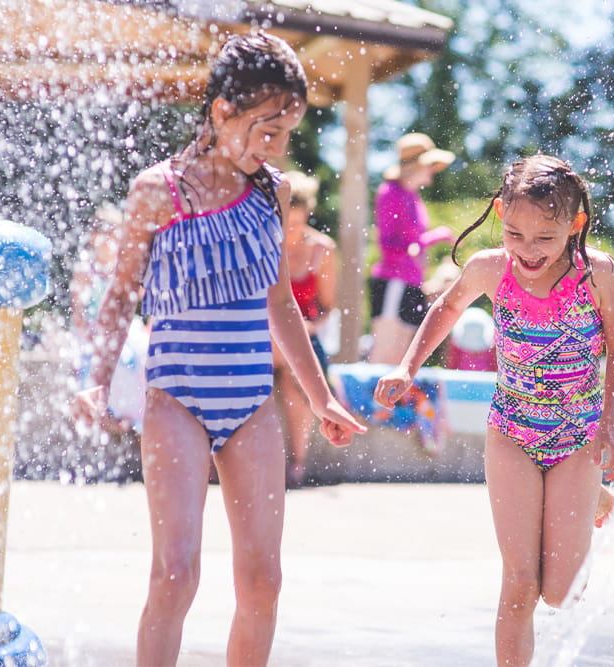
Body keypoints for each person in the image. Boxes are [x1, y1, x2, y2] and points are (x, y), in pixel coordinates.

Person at [72, 32, 366, 667]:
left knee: (263, 581)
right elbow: (121, 295)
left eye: (285, 132)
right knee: (175, 575)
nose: (276, 147)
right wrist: (97, 378)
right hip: (176, 400)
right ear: (221, 111)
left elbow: (280, 303)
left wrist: (320, 399)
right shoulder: (159, 191)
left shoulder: (272, 191)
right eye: (265, 130)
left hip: (252, 403)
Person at [373, 154, 614, 666]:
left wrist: (611, 429)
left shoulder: (596, 274)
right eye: (515, 234)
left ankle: (590, 497)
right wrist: (407, 366)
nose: (528, 251)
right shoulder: (490, 269)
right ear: (498, 214)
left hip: (577, 441)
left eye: (545, 238)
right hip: (511, 434)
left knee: (559, 594)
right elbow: (446, 308)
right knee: (519, 581)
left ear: (574, 225)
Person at [272, 171, 337, 488]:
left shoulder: (322, 249)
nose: (291, 231)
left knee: (295, 376)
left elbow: (326, 306)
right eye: (286, 223)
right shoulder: (265, 243)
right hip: (263, 334)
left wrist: (308, 327)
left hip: (303, 336)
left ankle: (296, 463)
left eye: (297, 223)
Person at [367, 132, 456, 365]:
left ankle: (389, 403)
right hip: (394, 283)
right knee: (384, 358)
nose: (435, 170)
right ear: (417, 165)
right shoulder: (391, 193)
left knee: (402, 362)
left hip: (410, 283)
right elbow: (389, 247)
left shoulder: (412, 196)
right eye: (431, 164)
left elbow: (409, 243)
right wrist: (432, 239)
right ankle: (372, 403)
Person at [70, 202, 149, 433]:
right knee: (109, 358)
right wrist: (89, 332)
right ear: (94, 237)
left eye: (116, 234)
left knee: (141, 355)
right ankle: (106, 412)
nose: (111, 241)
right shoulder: (87, 269)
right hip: (94, 330)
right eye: (106, 234)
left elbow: (145, 297)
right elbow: (78, 312)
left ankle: (136, 415)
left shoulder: (123, 269)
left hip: (124, 327)